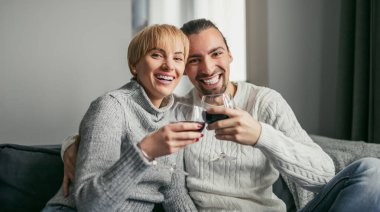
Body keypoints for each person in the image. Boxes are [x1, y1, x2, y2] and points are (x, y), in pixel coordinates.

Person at [62, 19, 380, 211]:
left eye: (216, 54)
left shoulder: (265, 102)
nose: (209, 68)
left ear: (230, 54)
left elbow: (325, 176)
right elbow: (131, 122)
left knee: (372, 173)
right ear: (183, 68)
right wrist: (73, 144)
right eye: (194, 59)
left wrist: (261, 136)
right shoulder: (177, 110)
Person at [42, 24, 202, 211]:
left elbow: (175, 193)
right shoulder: (110, 107)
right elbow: (90, 204)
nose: (169, 65)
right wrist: (145, 152)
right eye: (157, 55)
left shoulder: (174, 117)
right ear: (134, 65)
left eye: (177, 58)